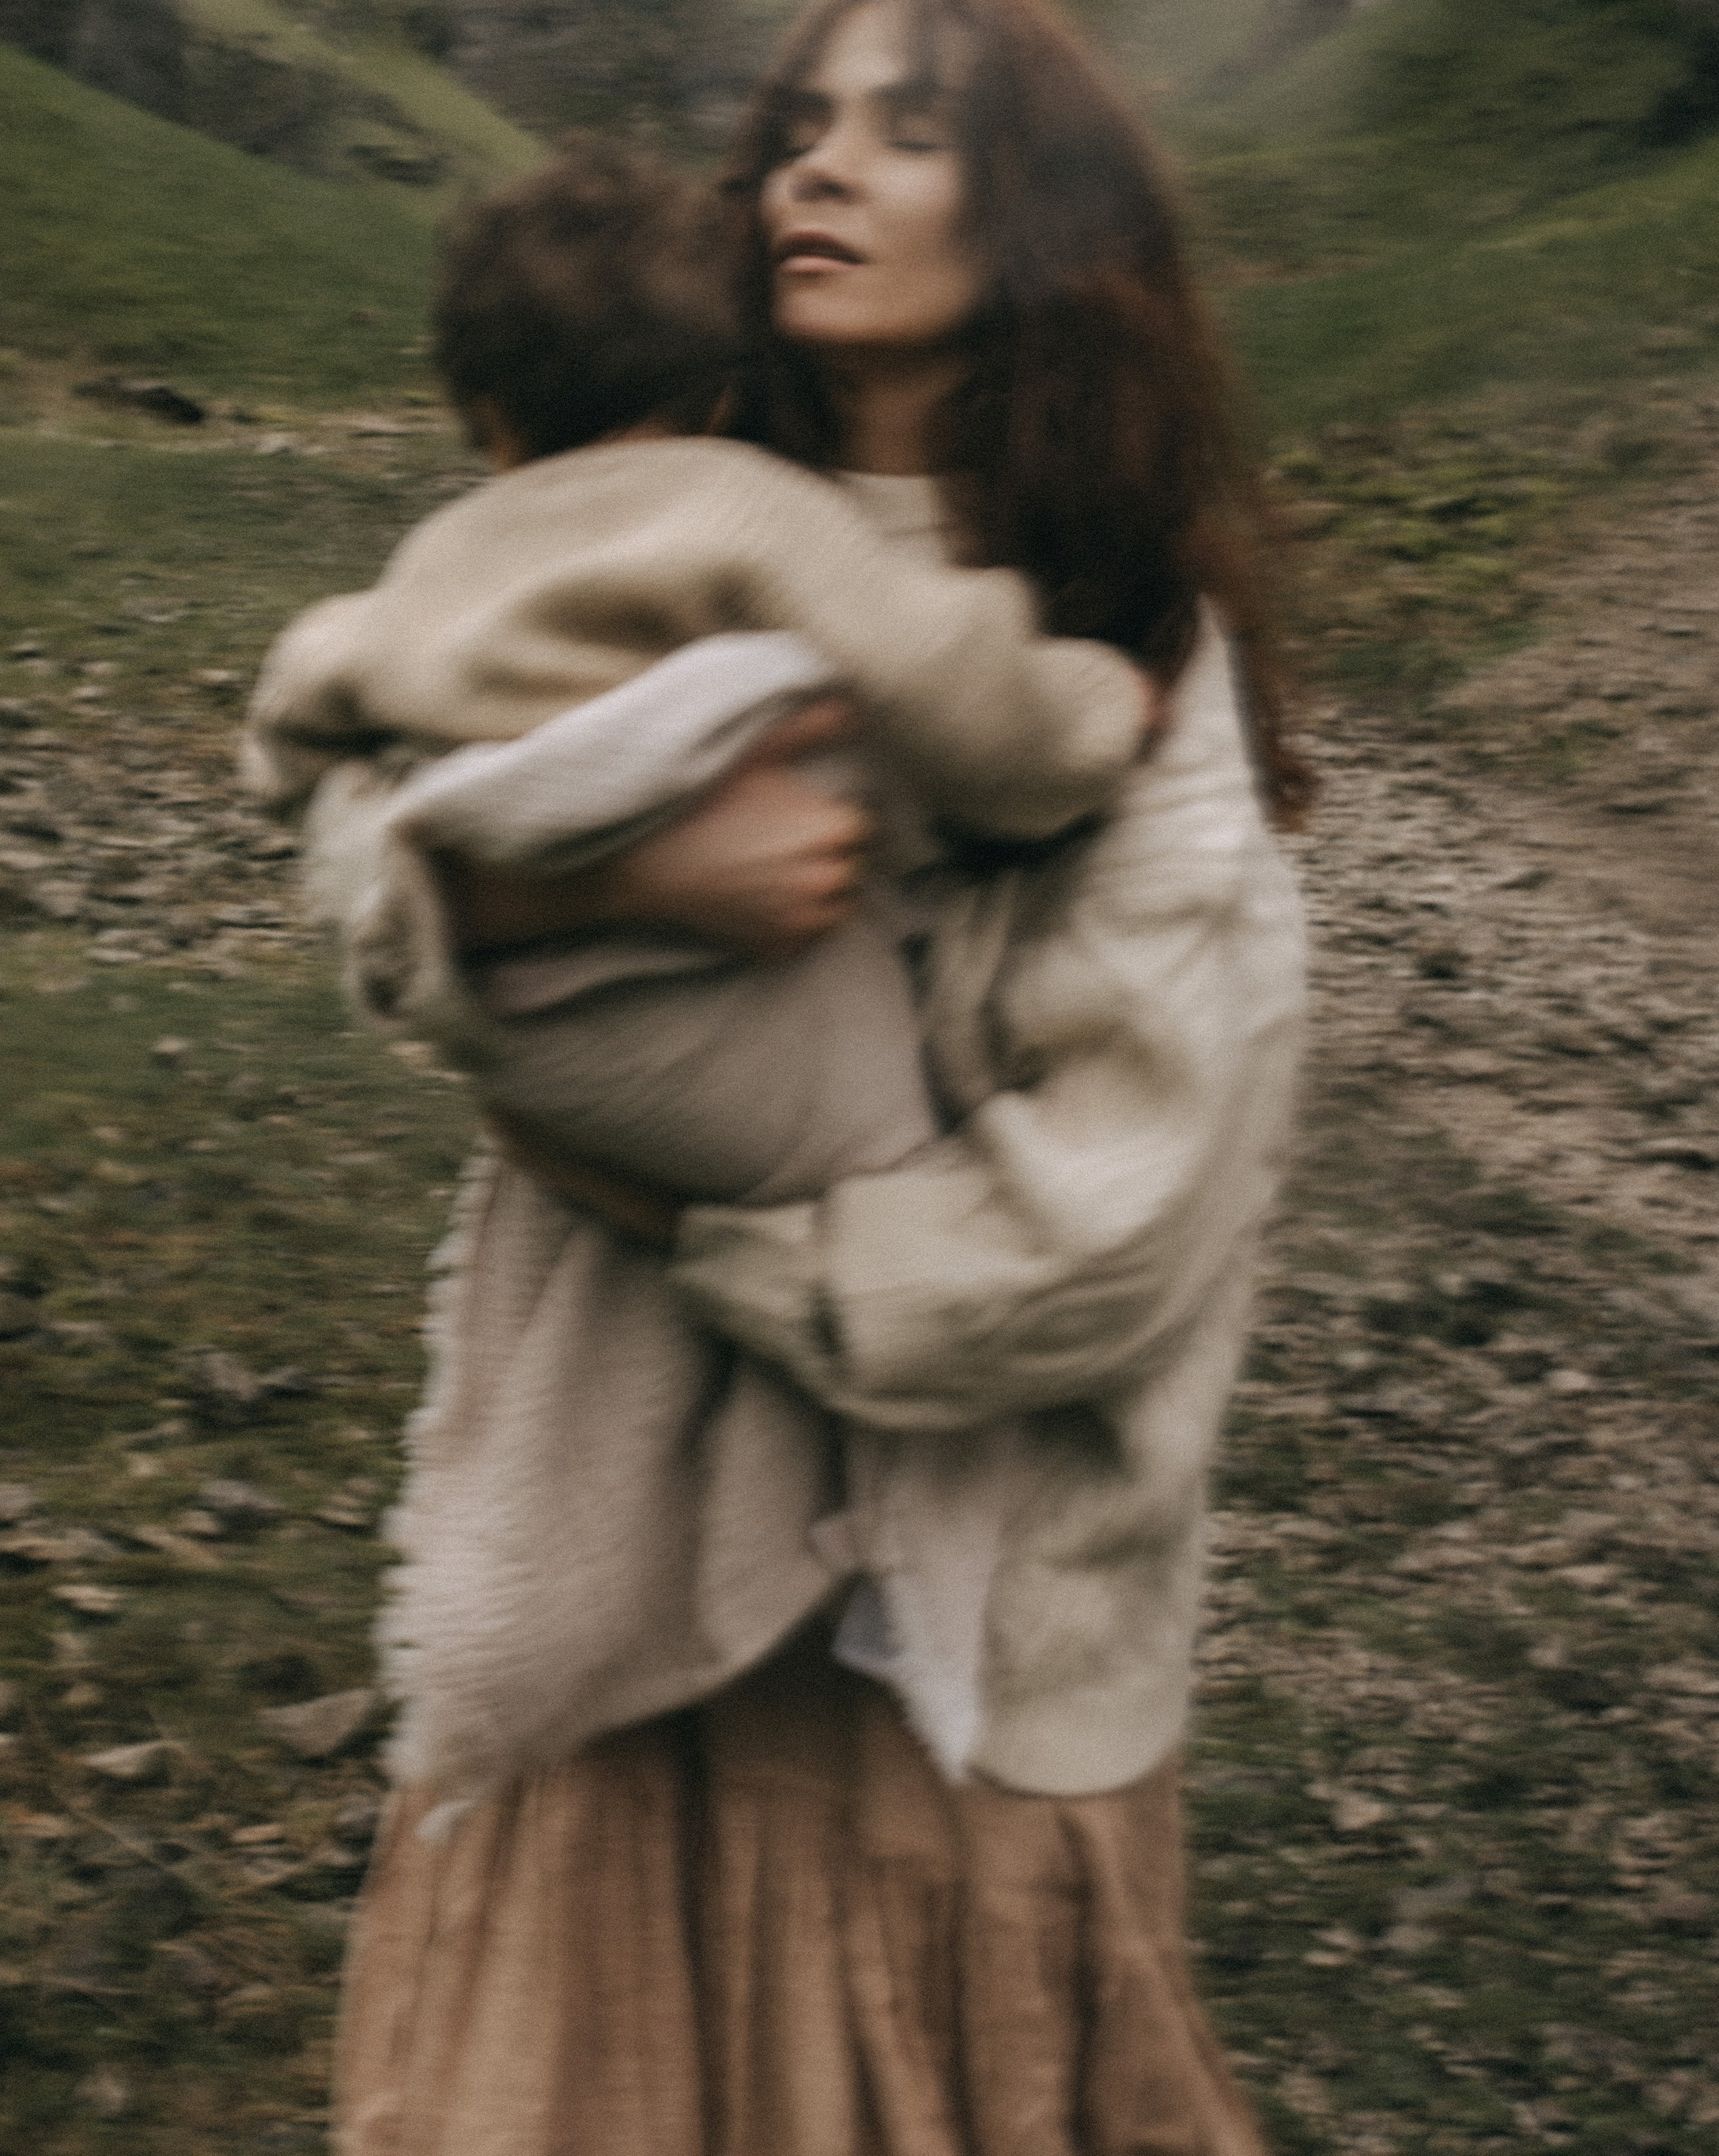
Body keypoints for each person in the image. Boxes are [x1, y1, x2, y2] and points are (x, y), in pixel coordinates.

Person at [326, 0, 1309, 2156]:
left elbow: (1121, 1219)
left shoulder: (1127, 627)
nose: (823, 168)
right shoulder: (662, 508)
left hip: (957, 1630)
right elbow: (371, 809)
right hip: (617, 1562)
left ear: (1046, 224)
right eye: (798, 126)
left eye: (912, 128)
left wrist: (708, 1228)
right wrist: (577, 900)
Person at [244, 137, 1160, 1791]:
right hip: (716, 1040)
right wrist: (1096, 711)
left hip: (524, 1031)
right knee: (901, 1170)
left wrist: (329, 777)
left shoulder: (437, 556)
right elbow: (959, 691)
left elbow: (314, 698)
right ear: (733, 388)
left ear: (484, 414)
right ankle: (902, 1579)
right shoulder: (746, 505)